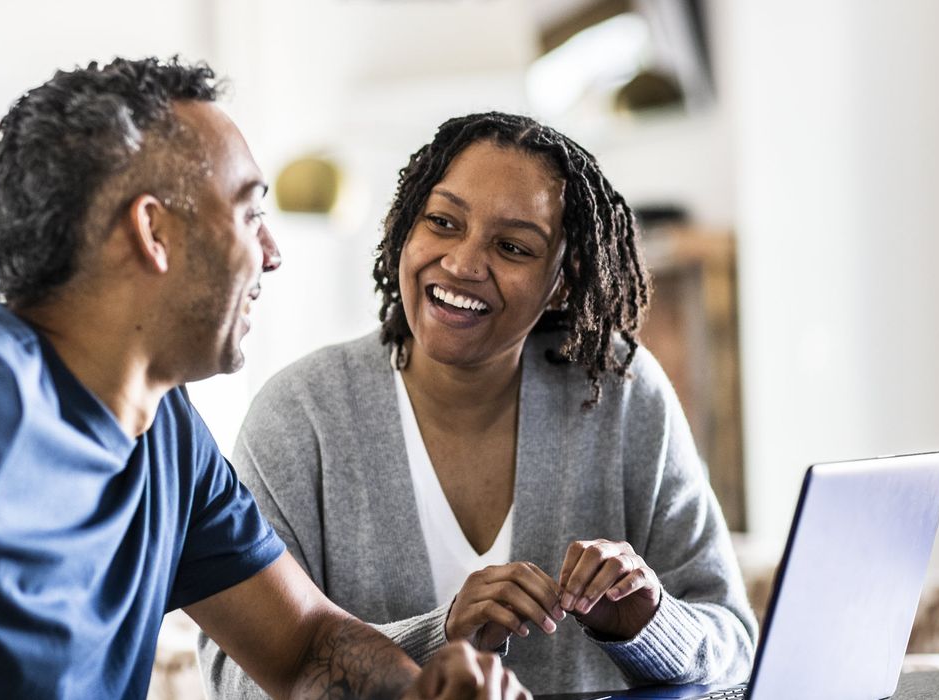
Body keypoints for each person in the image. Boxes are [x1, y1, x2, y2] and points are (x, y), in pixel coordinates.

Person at [0, 58, 530, 699]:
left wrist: (425, 686)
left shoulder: (165, 434)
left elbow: (306, 645)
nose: (271, 252)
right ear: (155, 232)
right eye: (248, 212)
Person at [200, 112, 757, 696]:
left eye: (513, 247)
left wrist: (648, 625)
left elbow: (737, 648)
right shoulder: (302, 416)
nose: (464, 264)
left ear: (562, 280)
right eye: (442, 222)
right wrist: (440, 635)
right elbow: (236, 680)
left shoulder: (619, 390)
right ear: (403, 231)